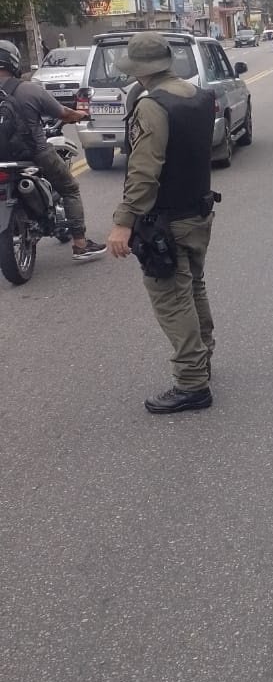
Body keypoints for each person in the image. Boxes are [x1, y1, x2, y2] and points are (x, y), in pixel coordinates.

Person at [106, 32, 217, 415]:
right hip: (198, 212)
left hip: (166, 221)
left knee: (172, 298)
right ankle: (202, 360)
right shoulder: (199, 96)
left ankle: (191, 383)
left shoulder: (153, 105)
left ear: (140, 71)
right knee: (193, 288)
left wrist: (124, 222)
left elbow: (143, 171)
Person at [0, 38, 106, 261]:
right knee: (70, 188)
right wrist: (80, 115)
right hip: (35, 154)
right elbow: (63, 114)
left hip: (3, 160)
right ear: (13, 62)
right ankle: (80, 244)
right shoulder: (28, 89)